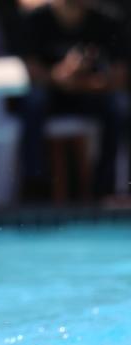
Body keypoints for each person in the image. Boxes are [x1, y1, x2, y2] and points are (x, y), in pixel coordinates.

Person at [19, 0, 127, 202]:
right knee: (34, 100)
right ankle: (35, 184)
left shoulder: (107, 21)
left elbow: (119, 76)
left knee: (118, 105)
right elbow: (31, 71)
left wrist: (82, 82)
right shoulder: (36, 20)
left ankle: (105, 185)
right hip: (53, 96)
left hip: (90, 93)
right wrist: (60, 76)